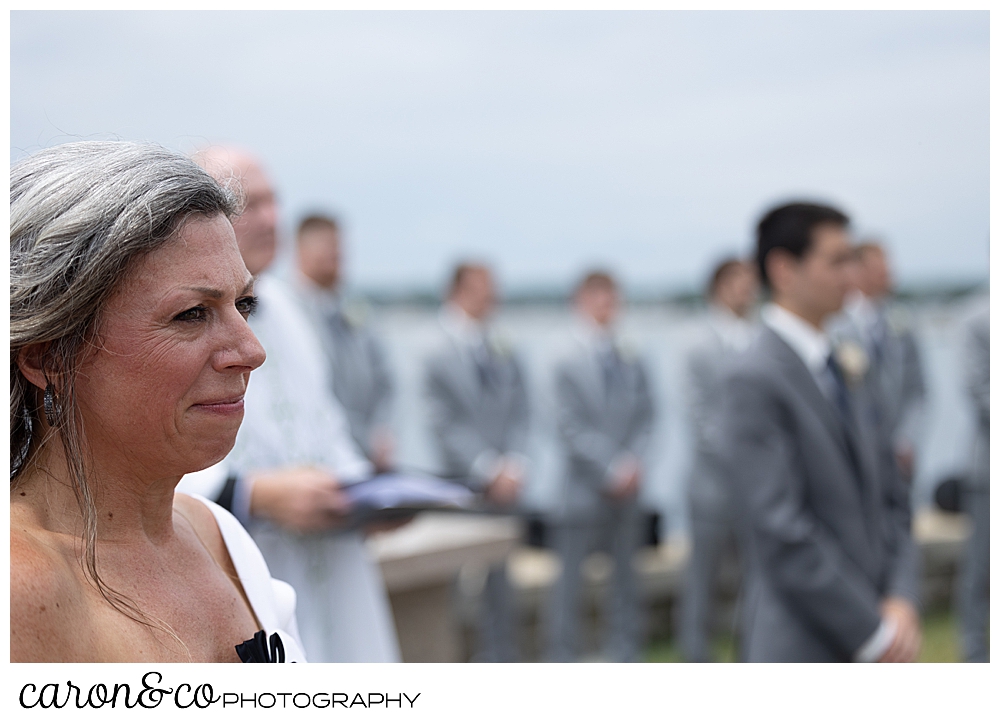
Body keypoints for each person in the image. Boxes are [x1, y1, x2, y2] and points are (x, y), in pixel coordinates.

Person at [10, 140, 304, 662]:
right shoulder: (20, 590)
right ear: (48, 356)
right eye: (192, 314)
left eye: (244, 305)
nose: (250, 352)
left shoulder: (222, 539)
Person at [182, 146, 401, 663]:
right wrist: (256, 495)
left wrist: (373, 495)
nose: (272, 218)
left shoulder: (291, 312)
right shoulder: (177, 314)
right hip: (247, 563)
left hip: (335, 559)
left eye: (274, 202)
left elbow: (325, 429)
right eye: (251, 204)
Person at [720, 201, 921, 662]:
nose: (852, 274)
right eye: (837, 261)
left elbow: (893, 494)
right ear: (784, 269)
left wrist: (901, 597)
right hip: (799, 641)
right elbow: (780, 529)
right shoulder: (752, 377)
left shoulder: (850, 363)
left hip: (881, 617)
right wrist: (872, 631)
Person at [545, 271, 656, 663]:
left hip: (628, 489)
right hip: (581, 489)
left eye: (612, 299)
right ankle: (563, 660)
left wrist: (632, 463)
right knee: (569, 584)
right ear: (580, 301)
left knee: (628, 581)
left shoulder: (631, 353)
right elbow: (566, 426)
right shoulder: (563, 357)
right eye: (599, 298)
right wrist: (610, 468)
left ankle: (625, 658)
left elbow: (648, 413)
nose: (607, 307)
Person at [423, 262, 530, 662]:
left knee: (502, 582)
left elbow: (523, 407)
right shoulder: (434, 349)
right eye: (485, 286)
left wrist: (513, 464)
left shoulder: (502, 345)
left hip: (506, 485)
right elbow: (439, 421)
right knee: (450, 586)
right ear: (460, 291)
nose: (494, 294)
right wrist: (487, 468)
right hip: (455, 483)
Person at [678, 259, 758, 662]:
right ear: (720, 287)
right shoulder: (697, 343)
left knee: (755, 587)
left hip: (758, 490)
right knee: (702, 585)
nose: (749, 290)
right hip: (712, 487)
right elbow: (700, 417)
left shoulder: (761, 338)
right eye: (741, 283)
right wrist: (748, 456)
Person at [293, 214, 395, 471]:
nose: (336, 255)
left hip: (367, 454)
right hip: (314, 459)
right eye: (326, 246)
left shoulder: (356, 311)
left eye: (338, 246)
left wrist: (381, 431)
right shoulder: (289, 312)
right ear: (301, 250)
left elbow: (386, 379)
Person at [829, 241, 926, 483]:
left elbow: (918, 389)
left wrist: (907, 440)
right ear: (857, 270)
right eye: (880, 267)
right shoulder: (833, 324)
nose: (888, 273)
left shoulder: (902, 321)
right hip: (851, 460)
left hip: (898, 457)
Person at [956, 295, 989, 662]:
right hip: (988, 468)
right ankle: (974, 655)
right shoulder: (976, 319)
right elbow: (977, 390)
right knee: (980, 570)